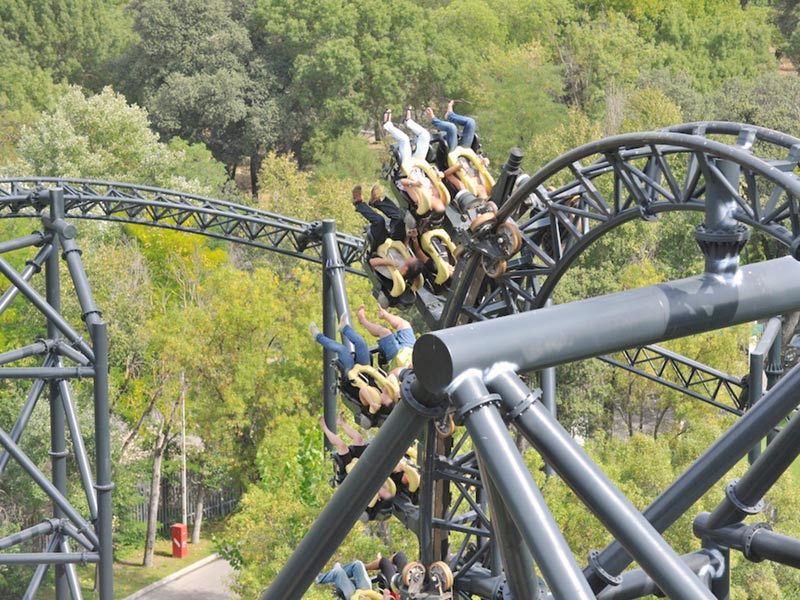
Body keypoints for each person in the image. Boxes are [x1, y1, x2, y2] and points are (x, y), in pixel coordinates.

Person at [384, 107, 448, 215]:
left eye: (437, 203)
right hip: (419, 166)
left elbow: (403, 183)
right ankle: (408, 122)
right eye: (440, 202)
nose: (438, 200)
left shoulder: (419, 199)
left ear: (432, 207)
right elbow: (430, 172)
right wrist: (437, 173)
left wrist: (414, 183)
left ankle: (387, 125)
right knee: (425, 135)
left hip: (407, 169)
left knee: (404, 139)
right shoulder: (436, 192)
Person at [356, 303, 415, 370]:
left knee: (384, 332)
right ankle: (384, 315)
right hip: (410, 350)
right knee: (404, 324)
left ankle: (362, 320)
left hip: (398, 362)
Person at [354, 184, 406, 254]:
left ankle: (358, 203)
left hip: (381, 246)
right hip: (398, 240)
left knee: (380, 220)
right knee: (399, 218)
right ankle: (376, 202)